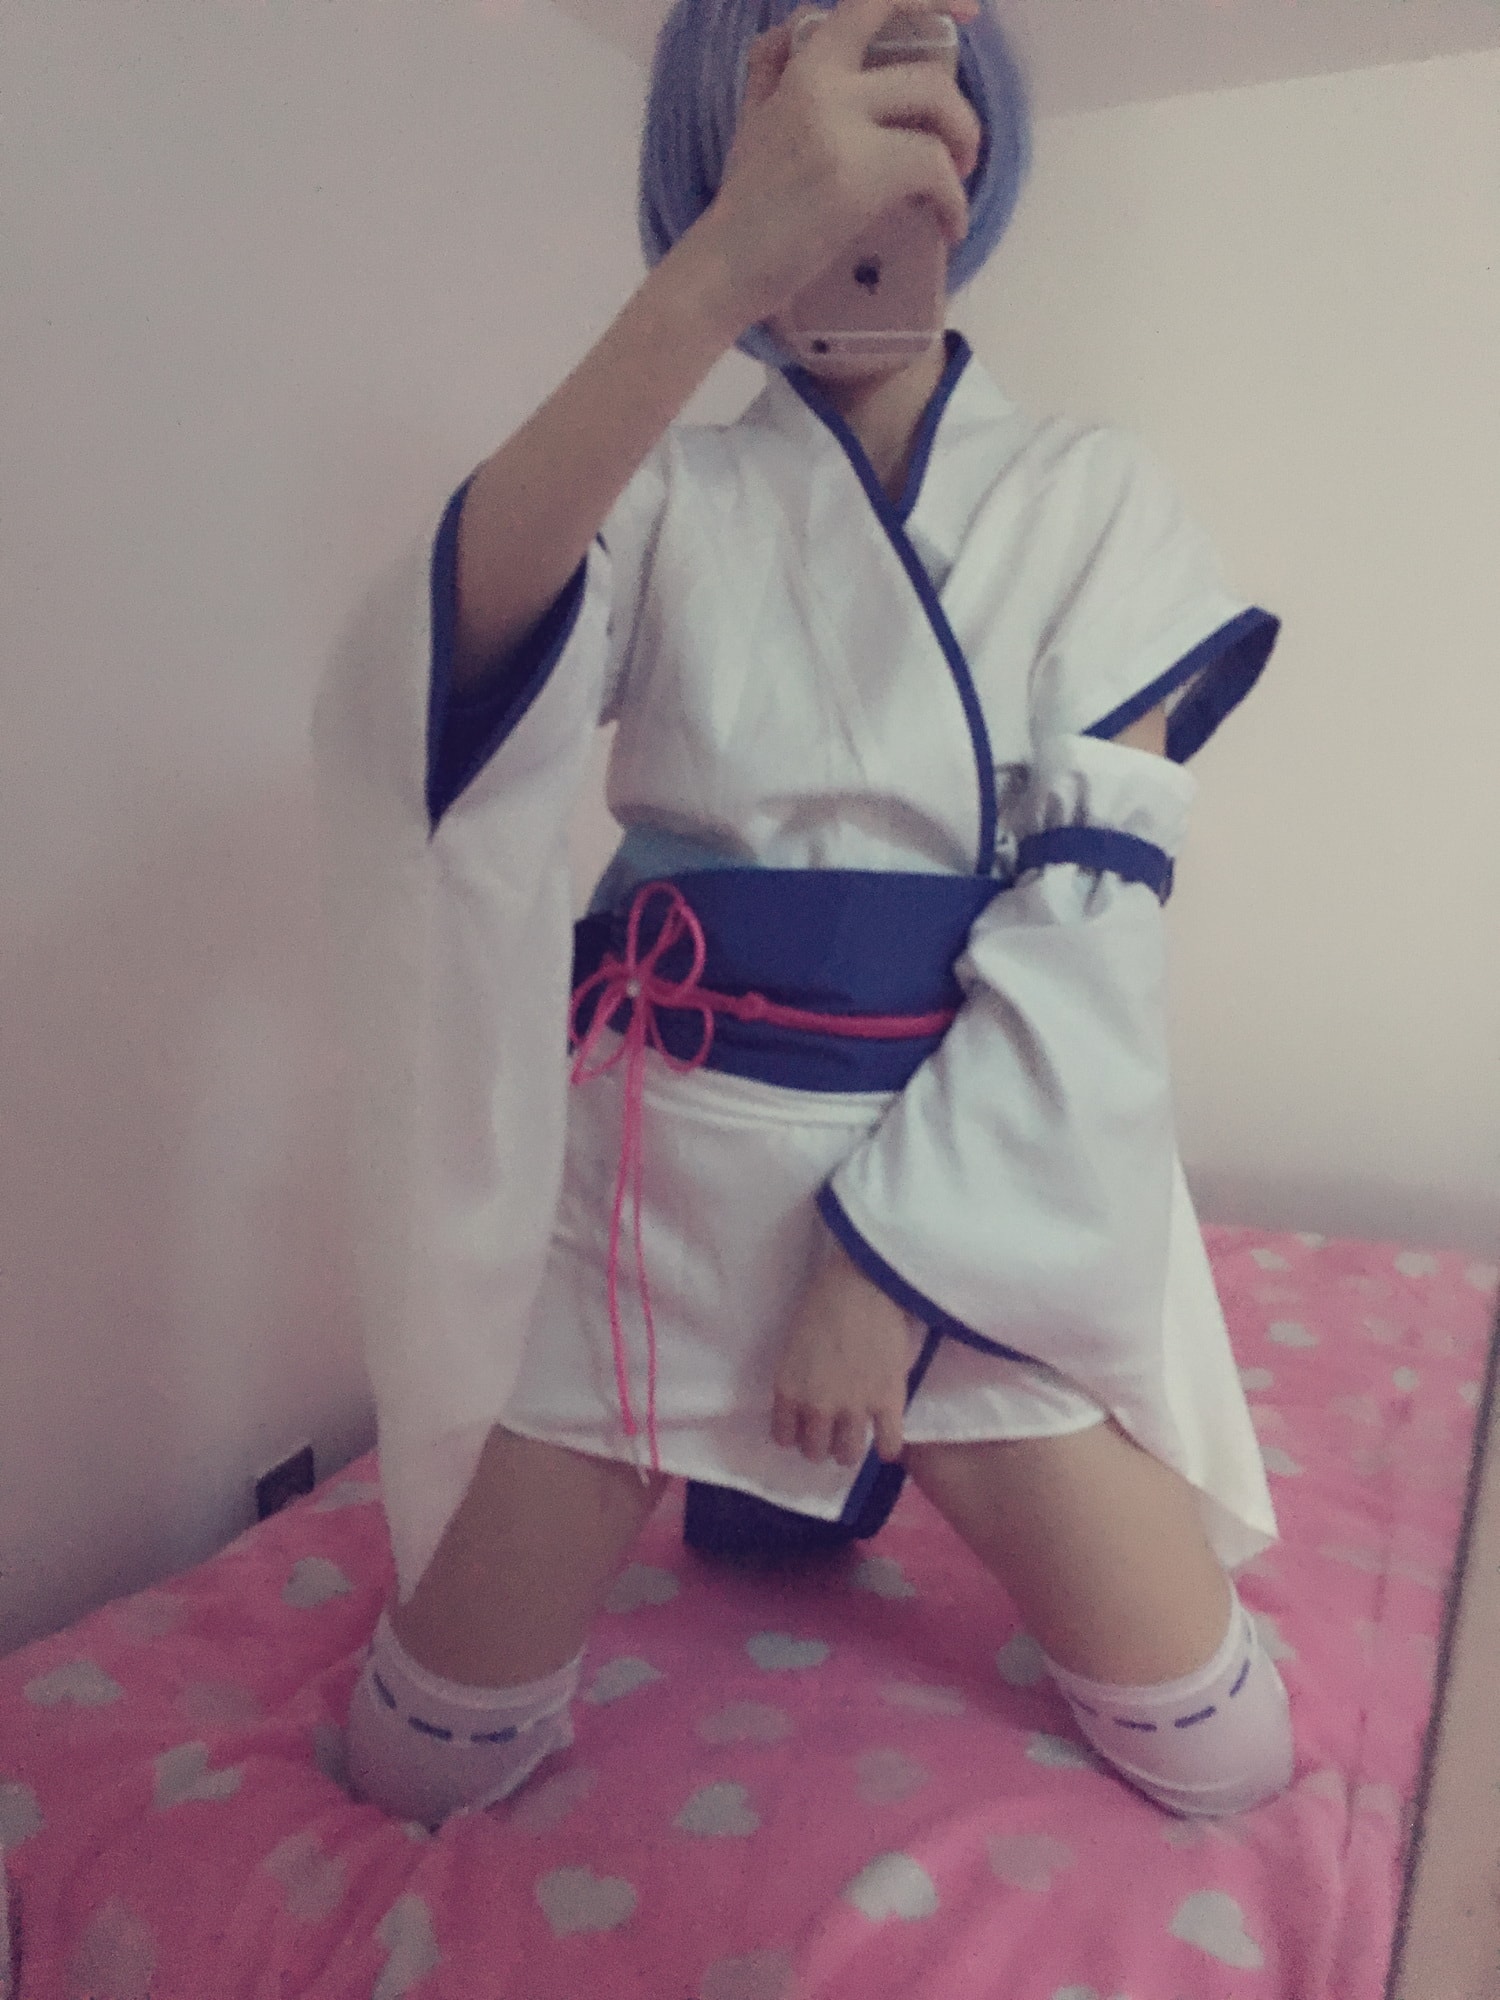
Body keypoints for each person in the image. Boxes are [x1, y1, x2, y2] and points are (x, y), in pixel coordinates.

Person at [322, 0, 1297, 1833]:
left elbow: (1090, 921)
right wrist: (714, 276)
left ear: (971, 139)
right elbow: (423, 709)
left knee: (1222, 1749)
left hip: (965, 1190)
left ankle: (849, 1452)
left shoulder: (1094, 498)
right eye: (796, 90)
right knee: (416, 1756)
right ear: (725, 145)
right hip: (658, 1172)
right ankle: (748, 1477)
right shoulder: (661, 489)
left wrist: (881, 1275)